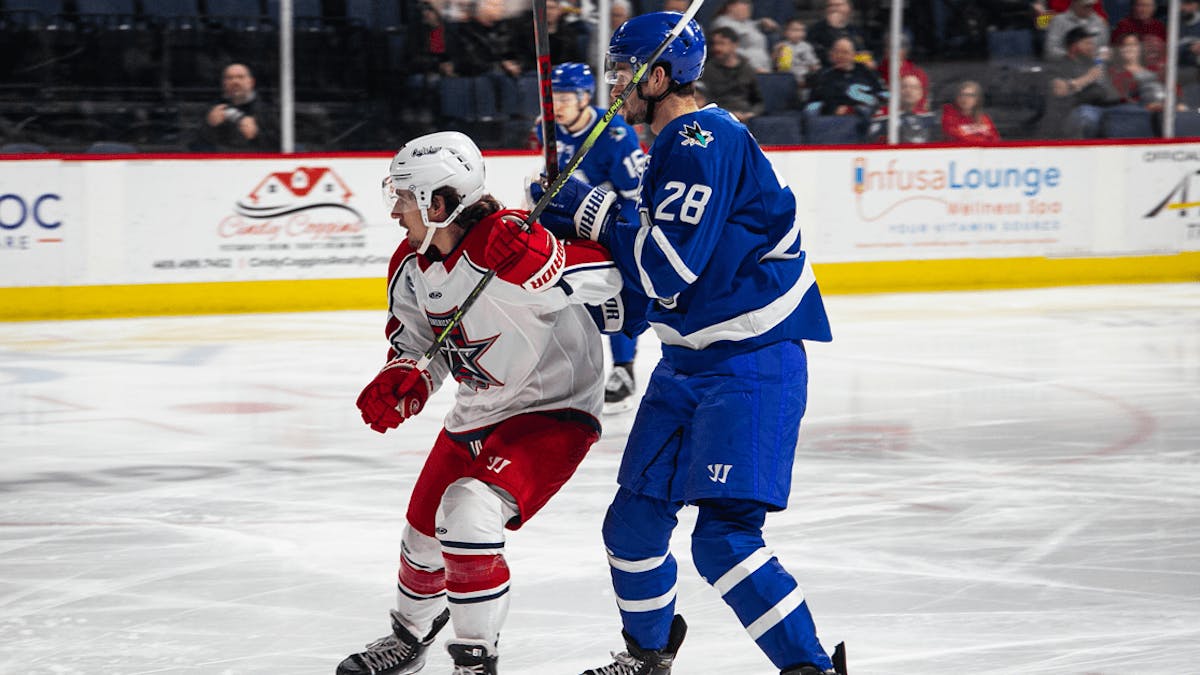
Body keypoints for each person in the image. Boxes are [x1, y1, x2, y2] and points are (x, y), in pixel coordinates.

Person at [530, 11, 843, 675]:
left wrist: (588, 211)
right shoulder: (672, 146)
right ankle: (648, 657)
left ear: (660, 75)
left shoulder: (703, 137)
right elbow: (648, 294)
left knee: (724, 541)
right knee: (633, 524)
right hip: (686, 364)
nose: (615, 85)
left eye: (624, 71)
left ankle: (809, 668)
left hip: (748, 362)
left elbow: (669, 265)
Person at [335, 131, 622, 675]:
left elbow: (609, 281)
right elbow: (423, 343)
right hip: (480, 409)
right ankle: (410, 636)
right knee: (421, 536)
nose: (395, 209)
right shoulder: (412, 264)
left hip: (553, 407)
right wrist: (408, 377)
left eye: (403, 196)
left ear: (437, 204)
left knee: (468, 513)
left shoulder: (509, 245)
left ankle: (474, 661)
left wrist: (553, 259)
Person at [533, 62, 648, 413]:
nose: (559, 105)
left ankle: (623, 371)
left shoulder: (614, 134)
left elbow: (635, 194)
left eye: (567, 97)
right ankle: (570, 368)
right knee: (560, 291)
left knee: (620, 289)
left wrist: (619, 239)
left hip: (616, 215)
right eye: (554, 98)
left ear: (584, 98)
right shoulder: (546, 129)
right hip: (572, 219)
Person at [1043, 26, 1121, 137]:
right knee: (1087, 115)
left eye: (1092, 43)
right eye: (1087, 43)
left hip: (1104, 110)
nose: (1093, 47)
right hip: (1069, 119)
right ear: (1074, 46)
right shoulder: (1060, 65)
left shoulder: (1093, 63)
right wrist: (1087, 78)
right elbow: (1059, 91)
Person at [804, 36, 886, 137]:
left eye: (845, 52)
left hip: (868, 111)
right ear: (832, 55)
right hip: (838, 117)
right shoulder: (825, 75)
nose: (840, 56)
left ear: (853, 55)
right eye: (837, 52)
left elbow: (880, 91)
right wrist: (836, 109)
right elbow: (821, 99)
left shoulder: (865, 71)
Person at [193, 63, 275, 152]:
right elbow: (190, 146)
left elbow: (282, 146)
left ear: (251, 82)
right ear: (224, 84)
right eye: (229, 78)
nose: (235, 82)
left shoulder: (269, 111)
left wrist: (257, 135)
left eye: (240, 77)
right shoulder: (210, 110)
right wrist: (209, 125)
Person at [701, 26, 765, 122]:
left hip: (746, 115)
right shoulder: (707, 70)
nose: (716, 48)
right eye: (714, 44)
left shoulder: (748, 69)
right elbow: (705, 99)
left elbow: (758, 100)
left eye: (722, 43)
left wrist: (752, 113)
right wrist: (728, 113)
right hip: (719, 116)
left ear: (735, 45)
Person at [710, 0, 776, 73]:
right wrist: (753, 68)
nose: (749, 7)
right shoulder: (722, 23)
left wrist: (762, 23)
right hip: (744, 71)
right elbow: (730, 50)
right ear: (730, 6)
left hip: (765, 69)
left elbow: (755, 25)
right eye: (744, 3)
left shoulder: (748, 23)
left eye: (749, 3)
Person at [1044, 0, 1110, 61]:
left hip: (1093, 64)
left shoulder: (1099, 22)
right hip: (1065, 66)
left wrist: (1098, 56)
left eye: (1091, 5)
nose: (1090, 8)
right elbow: (1050, 50)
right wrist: (1068, 55)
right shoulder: (1059, 21)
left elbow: (1104, 47)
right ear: (1075, 4)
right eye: (1086, 5)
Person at [940, 80, 1001, 144]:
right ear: (957, 98)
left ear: (977, 99)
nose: (965, 98)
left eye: (970, 95)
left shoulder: (984, 119)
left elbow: (995, 140)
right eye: (962, 95)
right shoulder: (950, 117)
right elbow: (960, 139)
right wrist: (983, 140)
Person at [773, 18, 822, 88]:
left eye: (802, 30)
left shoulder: (806, 46)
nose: (798, 33)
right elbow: (775, 66)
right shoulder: (781, 46)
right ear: (786, 32)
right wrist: (777, 53)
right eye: (795, 30)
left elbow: (813, 65)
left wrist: (817, 70)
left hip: (805, 78)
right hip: (788, 77)